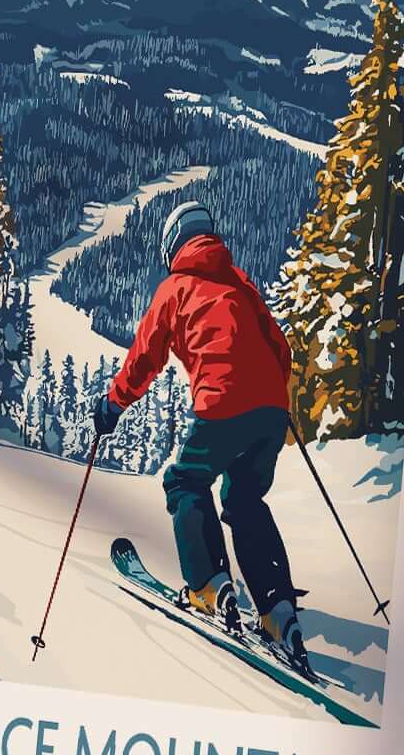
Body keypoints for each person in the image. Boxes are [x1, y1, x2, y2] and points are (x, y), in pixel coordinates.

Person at [92, 198, 310, 673]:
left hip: (224, 403)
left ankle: (209, 585)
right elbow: (280, 344)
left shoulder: (175, 288)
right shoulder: (240, 282)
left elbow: (144, 358)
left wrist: (112, 405)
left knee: (186, 482)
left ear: (172, 245)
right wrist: (276, 396)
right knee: (246, 499)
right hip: (271, 411)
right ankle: (278, 612)